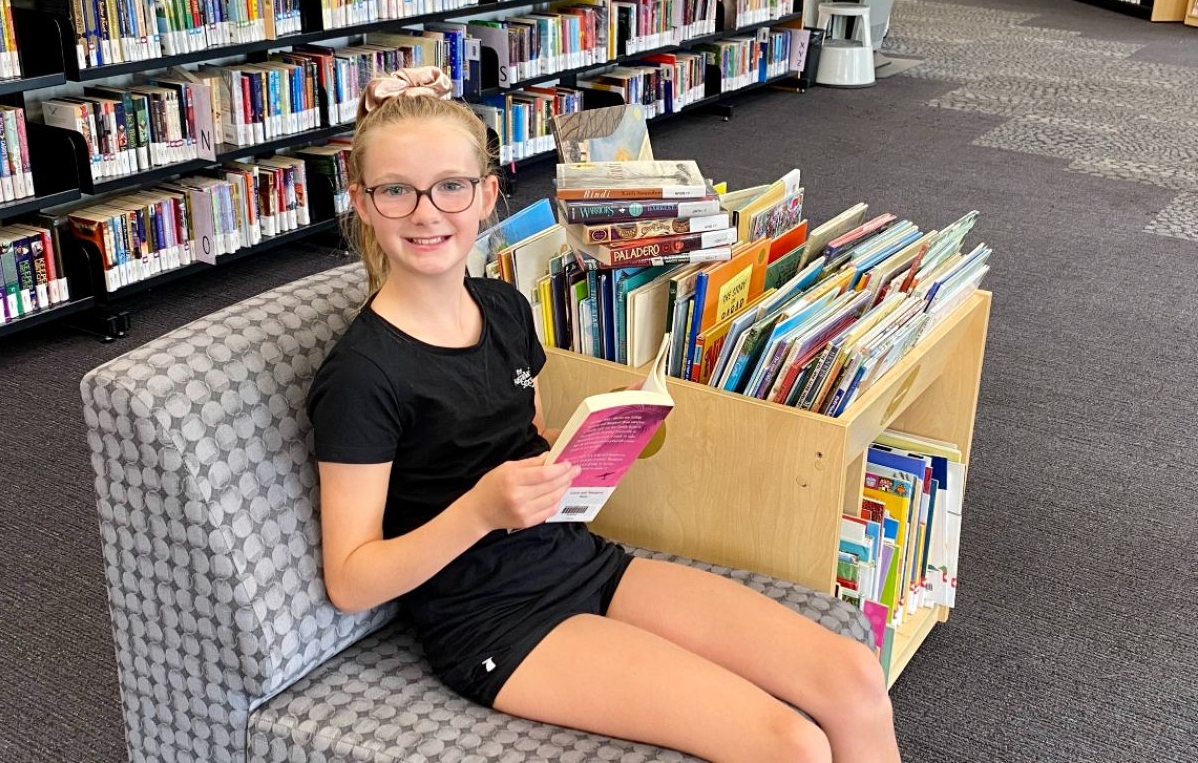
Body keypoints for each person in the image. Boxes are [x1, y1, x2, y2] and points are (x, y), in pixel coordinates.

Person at [306, 66, 901, 763]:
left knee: (854, 676)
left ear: (486, 193)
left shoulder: (502, 308)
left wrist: (576, 453)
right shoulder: (361, 375)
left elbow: (520, 436)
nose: (427, 212)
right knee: (791, 744)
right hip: (495, 622)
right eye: (396, 191)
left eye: (450, 186)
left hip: (580, 560)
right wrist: (479, 510)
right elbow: (351, 579)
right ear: (363, 203)